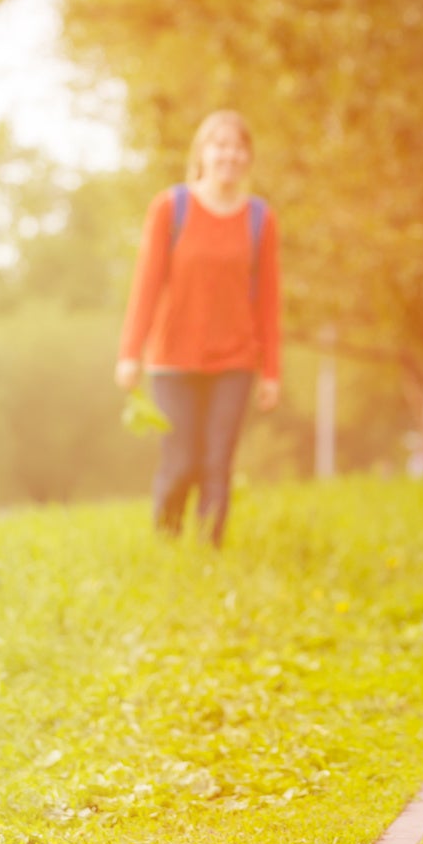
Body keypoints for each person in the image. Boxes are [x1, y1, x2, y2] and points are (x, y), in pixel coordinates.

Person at [116, 110, 282, 546]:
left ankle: (209, 554)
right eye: (219, 144)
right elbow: (147, 284)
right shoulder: (171, 207)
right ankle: (167, 544)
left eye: (237, 147)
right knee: (182, 460)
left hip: (235, 358)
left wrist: (271, 372)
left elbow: (268, 300)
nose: (228, 154)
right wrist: (130, 353)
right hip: (173, 358)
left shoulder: (260, 219)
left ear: (247, 157)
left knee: (217, 463)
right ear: (202, 153)